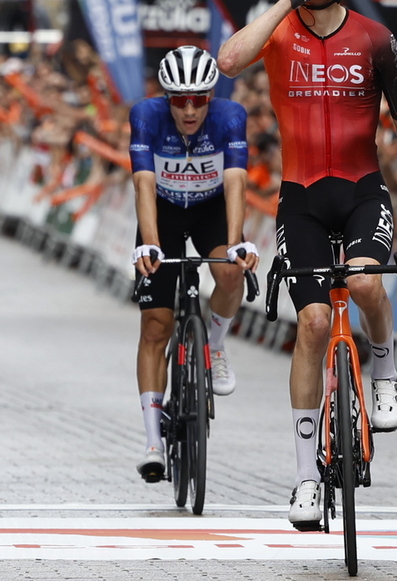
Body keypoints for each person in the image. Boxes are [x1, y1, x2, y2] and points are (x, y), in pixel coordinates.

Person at [215, 0, 397, 529]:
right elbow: (228, 60)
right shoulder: (277, 33)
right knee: (314, 322)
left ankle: (384, 369)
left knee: (369, 282)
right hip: (299, 197)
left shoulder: (375, 38)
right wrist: (285, 0)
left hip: (361, 190)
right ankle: (303, 480)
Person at [128, 45, 259, 483]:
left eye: (198, 99)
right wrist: (149, 245)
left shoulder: (230, 116)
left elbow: (236, 181)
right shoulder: (145, 115)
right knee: (156, 327)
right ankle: (152, 441)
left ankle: (215, 345)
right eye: (179, 100)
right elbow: (143, 184)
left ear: (211, 96)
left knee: (229, 270)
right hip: (162, 213)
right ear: (166, 98)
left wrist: (236, 242)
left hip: (210, 210)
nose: (188, 110)